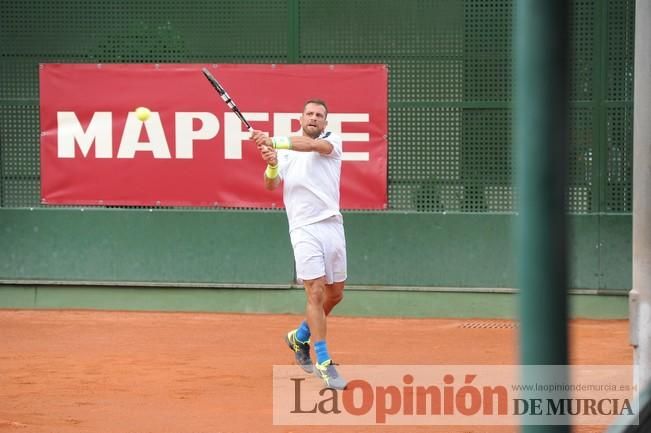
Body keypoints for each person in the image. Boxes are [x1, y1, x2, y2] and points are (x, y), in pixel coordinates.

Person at [250, 99, 347, 390]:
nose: (314, 118)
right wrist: (271, 165)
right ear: (301, 117)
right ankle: (323, 362)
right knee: (315, 292)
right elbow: (271, 184)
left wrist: (273, 142)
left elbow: (311, 147)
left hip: (332, 225)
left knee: (335, 294)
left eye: (319, 115)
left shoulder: (331, 142)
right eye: (310, 114)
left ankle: (299, 335)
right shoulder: (287, 151)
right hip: (303, 228)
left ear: (325, 123)